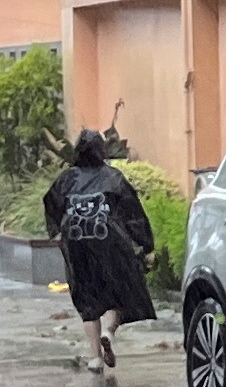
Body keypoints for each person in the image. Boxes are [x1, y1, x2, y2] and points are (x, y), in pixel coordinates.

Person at [46, 130, 155, 371]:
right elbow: (133, 213)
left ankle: (95, 358)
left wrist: (56, 231)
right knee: (123, 291)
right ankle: (109, 330)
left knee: (87, 301)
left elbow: (51, 202)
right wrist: (146, 245)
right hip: (110, 245)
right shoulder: (113, 177)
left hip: (77, 247)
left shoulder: (66, 179)